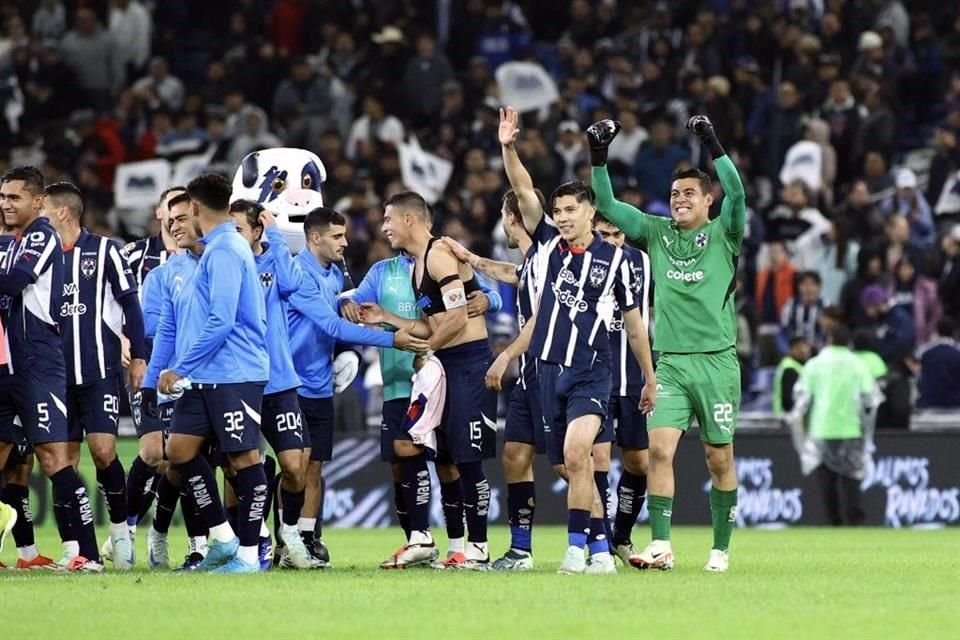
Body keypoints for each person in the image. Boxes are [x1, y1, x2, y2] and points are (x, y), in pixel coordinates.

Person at [588, 114, 746, 572]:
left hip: (717, 363)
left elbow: (737, 192)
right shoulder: (656, 233)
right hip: (671, 363)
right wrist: (599, 156)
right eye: (675, 194)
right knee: (659, 450)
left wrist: (711, 141)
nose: (679, 199)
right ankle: (661, 545)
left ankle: (720, 549)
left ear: (707, 200)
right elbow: (608, 206)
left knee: (719, 459)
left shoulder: (724, 233)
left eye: (689, 193)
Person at [340, 222, 502, 570]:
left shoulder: (441, 254)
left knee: (467, 458)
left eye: (388, 219)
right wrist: (387, 317)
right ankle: (456, 548)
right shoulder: (408, 269)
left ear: (409, 220)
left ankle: (479, 548)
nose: (382, 227)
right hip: (436, 368)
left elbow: (458, 316)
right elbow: (434, 324)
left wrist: (427, 350)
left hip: (466, 363)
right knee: (444, 457)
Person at [286, 206, 428, 567]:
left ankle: (307, 537)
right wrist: (391, 341)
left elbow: (342, 311)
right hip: (289, 383)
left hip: (320, 384)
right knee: (293, 467)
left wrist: (346, 307)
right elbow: (332, 327)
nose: (345, 242)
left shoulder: (333, 274)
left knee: (314, 465)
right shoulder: (297, 273)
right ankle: (282, 541)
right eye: (337, 236)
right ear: (314, 238)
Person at [156, 173, 270, 574]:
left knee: (244, 460)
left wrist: (178, 368)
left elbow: (222, 320)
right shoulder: (219, 247)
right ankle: (222, 537)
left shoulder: (224, 251)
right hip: (206, 375)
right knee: (180, 451)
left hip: (234, 372)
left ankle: (249, 555)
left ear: (197, 208)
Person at [41, 181, 147, 570]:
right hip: (54, 377)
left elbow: (131, 306)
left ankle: (120, 532)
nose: (40, 218)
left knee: (103, 452)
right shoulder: (41, 259)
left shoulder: (105, 251)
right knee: (62, 460)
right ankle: (74, 547)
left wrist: (138, 356)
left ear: (63, 212)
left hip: (99, 371)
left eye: (44, 211)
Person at [0, 166, 102, 572]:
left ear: (38, 201)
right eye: (2, 197)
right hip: (7, 363)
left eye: (14, 197)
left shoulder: (42, 235)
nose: (6, 204)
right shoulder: (7, 242)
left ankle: (88, 553)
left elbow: (13, 283)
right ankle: (23, 553)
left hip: (38, 362)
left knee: (54, 458)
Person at [230, 200, 322, 569]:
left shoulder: (273, 259)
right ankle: (249, 542)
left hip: (280, 380)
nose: (232, 236)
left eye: (239, 229)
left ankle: (288, 532)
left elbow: (293, 283)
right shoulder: (223, 264)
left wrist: (277, 237)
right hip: (239, 379)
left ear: (257, 231)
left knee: (296, 466)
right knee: (238, 468)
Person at [140, 195, 210, 571]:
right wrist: (152, 382)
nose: (175, 224)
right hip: (177, 381)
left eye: (182, 217)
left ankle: (217, 541)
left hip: (221, 377)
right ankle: (184, 539)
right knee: (179, 462)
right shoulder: (164, 274)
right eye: (171, 218)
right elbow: (157, 330)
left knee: (202, 463)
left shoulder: (224, 261)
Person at [592, 214, 654, 568]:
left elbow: (643, 319)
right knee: (599, 460)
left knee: (639, 462)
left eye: (617, 234)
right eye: (604, 234)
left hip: (632, 378)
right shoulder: (581, 260)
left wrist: (650, 376)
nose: (612, 240)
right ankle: (598, 541)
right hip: (595, 377)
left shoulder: (641, 261)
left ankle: (621, 537)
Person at [121, 186, 183, 536]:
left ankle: (157, 533)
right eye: (169, 207)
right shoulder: (133, 255)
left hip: (187, 368)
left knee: (176, 459)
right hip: (145, 363)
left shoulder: (200, 257)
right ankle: (125, 529)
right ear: (159, 213)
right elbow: (108, 302)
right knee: (153, 452)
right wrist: (121, 341)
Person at [790, 323, 880, 526]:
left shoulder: (815, 364)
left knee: (826, 481)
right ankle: (854, 522)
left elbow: (801, 400)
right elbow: (869, 400)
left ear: (828, 340)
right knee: (852, 481)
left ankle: (833, 521)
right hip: (850, 428)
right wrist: (868, 433)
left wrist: (801, 435)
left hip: (822, 428)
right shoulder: (858, 364)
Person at [916, 317, 960, 409]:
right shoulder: (957, 353)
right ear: (954, 332)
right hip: (955, 405)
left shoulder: (925, 354)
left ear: (936, 331)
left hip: (929, 405)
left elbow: (920, 381)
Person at [773, 336, 812, 422]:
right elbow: (788, 401)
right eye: (803, 346)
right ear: (793, 349)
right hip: (787, 420)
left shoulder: (798, 366)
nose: (806, 350)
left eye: (807, 346)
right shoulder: (789, 368)